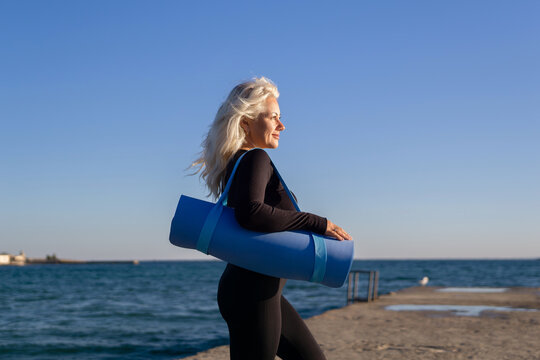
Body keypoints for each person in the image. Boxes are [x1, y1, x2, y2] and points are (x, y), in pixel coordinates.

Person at [191, 76, 352, 360]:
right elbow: (251, 215)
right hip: (253, 294)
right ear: (245, 122)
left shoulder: (244, 161)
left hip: (260, 292)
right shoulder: (255, 159)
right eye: (273, 117)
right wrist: (318, 222)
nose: (282, 125)